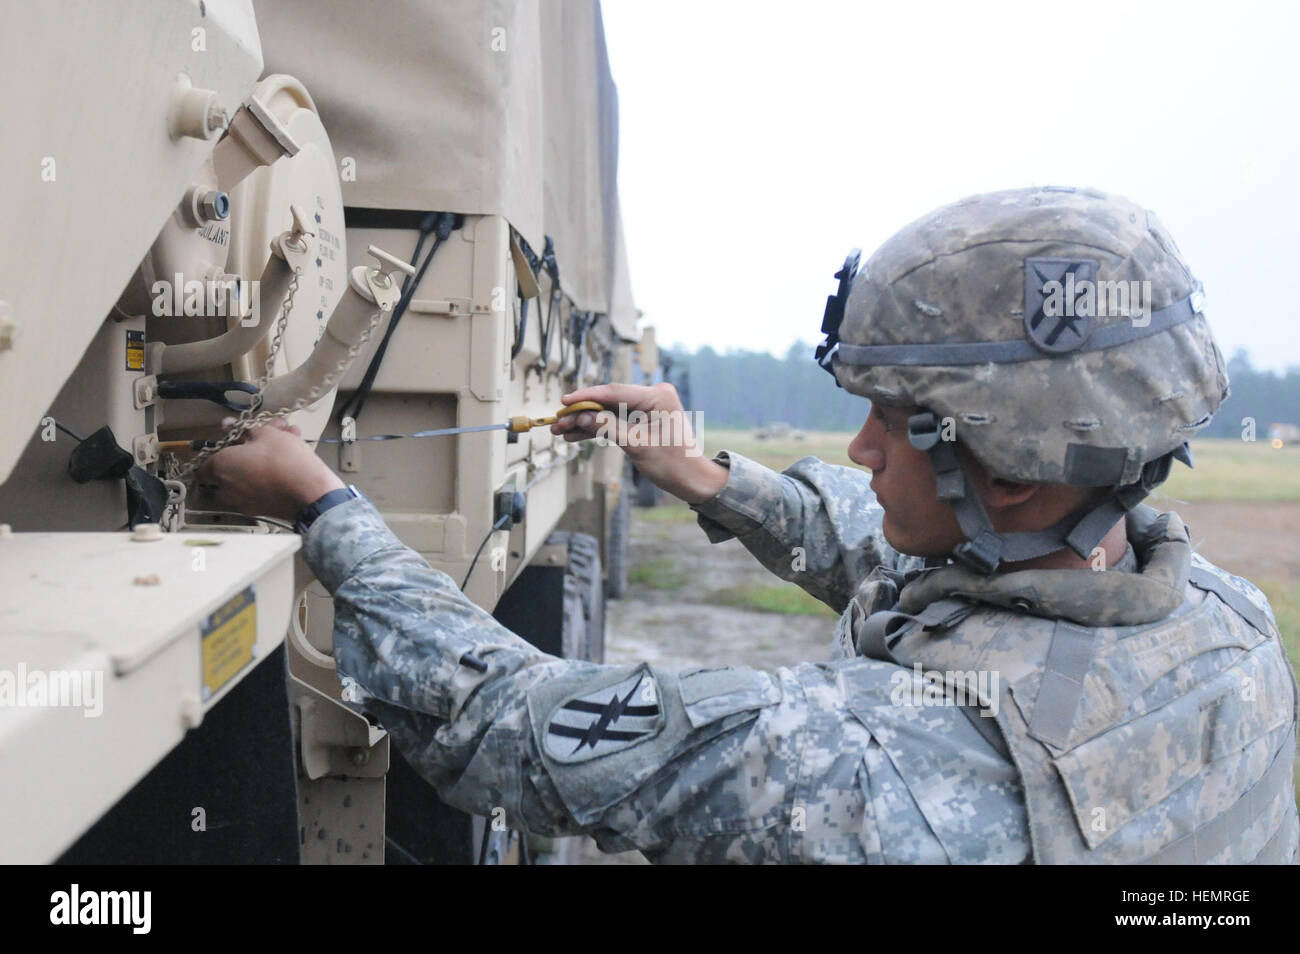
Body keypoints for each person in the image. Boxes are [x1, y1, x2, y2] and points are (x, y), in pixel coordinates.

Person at [201, 186, 1298, 864]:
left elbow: (513, 724)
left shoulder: (870, 774)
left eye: (887, 424)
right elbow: (881, 556)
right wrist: (705, 475)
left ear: (1003, 476)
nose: (861, 452)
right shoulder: (1223, 626)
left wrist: (326, 511)